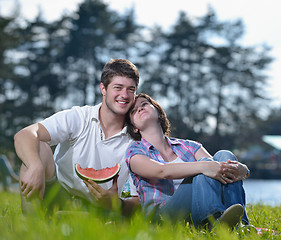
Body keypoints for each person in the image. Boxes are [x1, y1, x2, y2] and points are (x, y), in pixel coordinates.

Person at [14, 58, 140, 215]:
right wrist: (35, 165)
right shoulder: (79, 117)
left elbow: (138, 204)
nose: (124, 95)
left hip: (105, 210)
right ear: (103, 89)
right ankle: (30, 229)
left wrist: (117, 204)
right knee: (37, 147)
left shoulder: (137, 137)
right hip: (59, 195)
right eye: (118, 87)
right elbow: (25, 134)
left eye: (131, 90)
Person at [125, 93, 251, 229]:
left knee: (224, 155)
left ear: (159, 113)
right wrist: (202, 166)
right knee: (204, 166)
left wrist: (244, 169)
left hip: (194, 209)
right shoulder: (134, 151)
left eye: (144, 104)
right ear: (134, 128)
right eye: (133, 111)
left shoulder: (189, 146)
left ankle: (241, 225)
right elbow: (162, 171)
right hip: (163, 216)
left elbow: (217, 169)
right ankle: (212, 222)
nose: (140, 109)